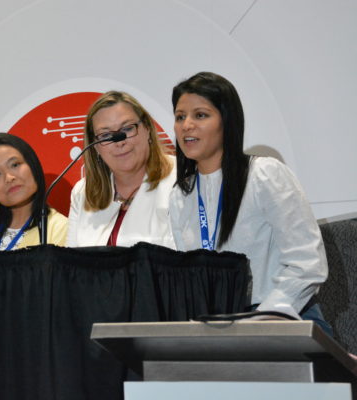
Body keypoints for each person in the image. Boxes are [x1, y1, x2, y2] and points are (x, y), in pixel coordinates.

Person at [169, 71, 329, 330]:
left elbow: (307, 263)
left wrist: (263, 318)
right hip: (221, 324)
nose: (186, 125)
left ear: (227, 121)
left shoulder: (264, 174)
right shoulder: (181, 194)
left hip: (285, 316)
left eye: (200, 115)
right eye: (180, 116)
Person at [66, 91, 176, 248]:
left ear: (147, 129)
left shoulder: (180, 179)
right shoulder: (82, 192)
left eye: (127, 129)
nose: (119, 142)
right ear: (95, 146)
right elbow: (71, 263)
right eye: (105, 135)